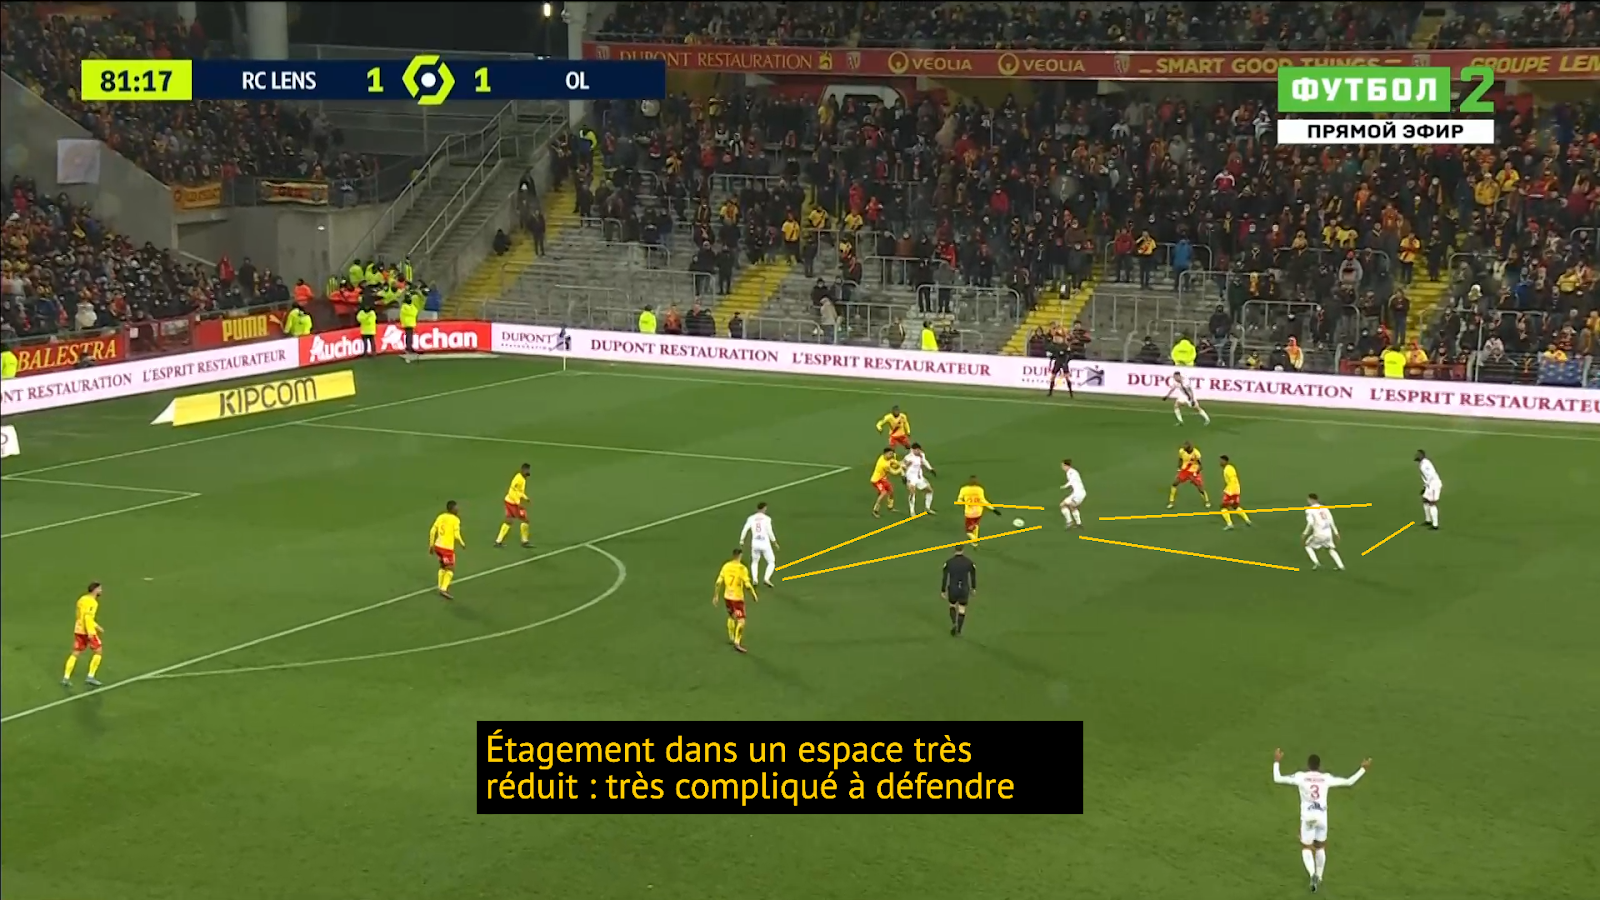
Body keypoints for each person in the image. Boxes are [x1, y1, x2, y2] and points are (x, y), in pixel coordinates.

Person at [1273, 748, 1372, 893]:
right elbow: (1349, 782)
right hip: (1322, 817)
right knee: (1320, 847)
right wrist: (1363, 769)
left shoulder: (1301, 777)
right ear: (1319, 766)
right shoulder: (1326, 778)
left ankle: (1312, 874)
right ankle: (1319, 876)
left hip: (1308, 817)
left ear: (1308, 765)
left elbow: (1277, 778)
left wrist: (1276, 761)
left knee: (1306, 847)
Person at [712, 547, 757, 654]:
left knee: (731, 616)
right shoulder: (742, 568)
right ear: (740, 556)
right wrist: (754, 594)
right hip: (737, 599)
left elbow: (718, 582)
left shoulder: (726, 566)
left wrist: (716, 596)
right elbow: (747, 585)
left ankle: (731, 637)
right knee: (741, 620)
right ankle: (737, 642)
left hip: (727, 596)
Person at [61, 582, 105, 687]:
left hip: (78, 629)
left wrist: (97, 626)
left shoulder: (82, 599)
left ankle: (66, 678)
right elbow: (87, 617)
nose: (101, 591)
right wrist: (90, 632)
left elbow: (80, 615)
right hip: (87, 630)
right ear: (95, 590)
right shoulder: (93, 602)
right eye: (100, 589)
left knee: (75, 653)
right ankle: (90, 676)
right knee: (98, 651)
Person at [428, 500, 465, 599]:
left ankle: (440, 586)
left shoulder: (441, 517)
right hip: (446, 548)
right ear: (452, 509)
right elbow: (456, 534)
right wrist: (462, 543)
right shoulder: (455, 520)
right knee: (450, 568)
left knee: (443, 566)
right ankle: (443, 589)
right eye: (456, 508)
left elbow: (432, 531)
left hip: (438, 546)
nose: (458, 509)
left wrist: (431, 545)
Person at [740, 502, 779, 587]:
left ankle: (755, 579)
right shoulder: (767, 519)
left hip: (755, 543)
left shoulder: (751, 518)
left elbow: (745, 529)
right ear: (764, 508)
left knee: (755, 562)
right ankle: (766, 578)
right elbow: (770, 532)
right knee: (771, 561)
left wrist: (741, 540)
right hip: (765, 543)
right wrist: (774, 542)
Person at [941, 546, 977, 637]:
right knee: (962, 609)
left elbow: (945, 577)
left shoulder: (949, 562)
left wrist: (943, 590)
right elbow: (973, 575)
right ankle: (959, 630)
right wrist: (973, 588)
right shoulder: (968, 562)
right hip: (964, 588)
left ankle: (954, 622)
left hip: (953, 588)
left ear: (954, 550)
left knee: (952, 605)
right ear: (963, 550)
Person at [1302, 493, 1344, 571]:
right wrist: (1336, 532)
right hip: (1328, 533)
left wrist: (1305, 533)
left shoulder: (1309, 510)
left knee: (1307, 546)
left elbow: (1310, 523)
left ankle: (1316, 563)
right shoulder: (1324, 508)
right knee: (1331, 548)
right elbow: (1331, 520)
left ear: (1311, 500)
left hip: (1318, 534)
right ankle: (1341, 566)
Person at [495, 463, 532, 548]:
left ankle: (498, 541)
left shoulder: (523, 478)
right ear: (522, 470)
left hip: (508, 501)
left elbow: (519, 492)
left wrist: (526, 498)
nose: (528, 472)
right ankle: (524, 541)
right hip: (513, 503)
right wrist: (518, 503)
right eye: (526, 470)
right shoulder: (518, 478)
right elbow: (512, 491)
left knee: (509, 521)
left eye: (528, 470)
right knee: (525, 520)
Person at [956, 475, 1000, 544]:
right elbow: (983, 501)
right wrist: (993, 509)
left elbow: (959, 500)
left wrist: (962, 503)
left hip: (969, 514)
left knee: (968, 531)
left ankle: (975, 540)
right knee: (976, 525)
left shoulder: (964, 489)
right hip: (978, 513)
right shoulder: (979, 489)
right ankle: (975, 543)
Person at [1169, 441, 1211, 510]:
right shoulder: (1182, 451)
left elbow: (1200, 466)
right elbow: (1180, 459)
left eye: (1188, 450)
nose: (1186, 451)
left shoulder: (1196, 453)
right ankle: (1171, 501)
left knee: (1200, 488)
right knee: (1175, 483)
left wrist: (1196, 473)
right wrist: (1179, 468)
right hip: (1185, 471)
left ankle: (1207, 501)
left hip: (1194, 471)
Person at [1218, 455, 1252, 530]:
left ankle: (1229, 524)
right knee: (1235, 506)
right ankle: (1247, 520)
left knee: (1223, 507)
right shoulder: (1230, 467)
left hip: (1231, 491)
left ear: (1225, 461)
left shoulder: (1228, 469)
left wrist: (1228, 491)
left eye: (1221, 461)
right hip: (1236, 489)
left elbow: (1233, 480)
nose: (1220, 462)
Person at [902, 443, 937, 516]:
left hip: (919, 477)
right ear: (912, 450)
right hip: (910, 477)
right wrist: (903, 476)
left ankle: (927, 508)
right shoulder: (908, 458)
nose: (918, 451)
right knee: (912, 493)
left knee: (929, 491)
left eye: (919, 450)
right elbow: (902, 466)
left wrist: (930, 469)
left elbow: (924, 461)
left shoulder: (921, 455)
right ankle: (912, 511)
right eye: (916, 450)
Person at [870, 448, 902, 518]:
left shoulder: (883, 457)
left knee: (891, 490)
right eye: (890, 454)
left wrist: (898, 463)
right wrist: (901, 467)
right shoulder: (884, 464)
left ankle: (890, 507)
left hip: (883, 479)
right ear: (885, 454)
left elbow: (892, 461)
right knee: (883, 493)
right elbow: (894, 472)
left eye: (892, 454)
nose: (891, 455)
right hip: (876, 480)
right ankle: (875, 510)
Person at [1415, 450, 1443, 531]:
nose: (1416, 456)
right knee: (1425, 500)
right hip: (1429, 485)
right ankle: (1428, 520)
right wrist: (1425, 487)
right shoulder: (1422, 463)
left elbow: (1431, 474)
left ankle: (1435, 525)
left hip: (1434, 485)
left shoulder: (1425, 464)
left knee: (1432, 503)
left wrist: (1427, 484)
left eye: (1418, 454)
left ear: (1422, 456)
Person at [1059, 459, 1087, 530]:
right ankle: (1077, 523)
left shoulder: (1072, 472)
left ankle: (1070, 522)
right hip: (1077, 493)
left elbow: (1071, 481)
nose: (1062, 467)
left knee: (1065, 505)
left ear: (1067, 466)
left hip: (1078, 493)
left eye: (1063, 466)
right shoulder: (1070, 472)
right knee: (1069, 506)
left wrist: (1065, 486)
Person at [398, 291, 422, 362]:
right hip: (407, 323)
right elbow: (412, 313)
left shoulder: (410, 306)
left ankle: (409, 347)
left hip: (411, 323)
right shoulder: (404, 306)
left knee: (410, 336)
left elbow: (415, 312)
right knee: (409, 336)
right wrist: (412, 311)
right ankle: (408, 348)